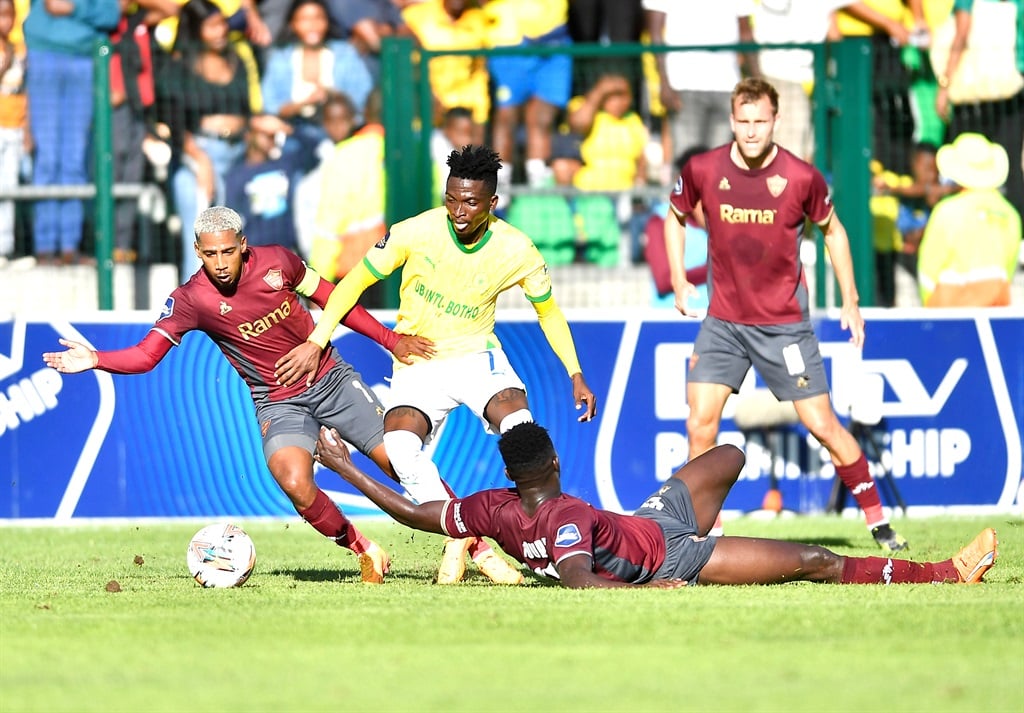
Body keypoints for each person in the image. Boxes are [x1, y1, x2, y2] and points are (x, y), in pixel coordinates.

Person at [42, 205, 434, 584]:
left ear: (243, 244)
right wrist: (95, 358)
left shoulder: (280, 262)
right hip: (277, 400)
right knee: (294, 481)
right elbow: (146, 356)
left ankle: (473, 546)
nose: (221, 262)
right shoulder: (191, 299)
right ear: (197, 252)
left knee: (400, 463)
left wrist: (390, 340)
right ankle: (365, 549)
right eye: (210, 254)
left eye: (228, 251)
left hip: (329, 378)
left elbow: (335, 300)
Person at [275, 144, 598, 584]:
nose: (458, 210)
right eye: (451, 198)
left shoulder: (516, 249)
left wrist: (575, 372)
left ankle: (550, 537)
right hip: (418, 361)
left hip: (476, 357)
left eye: (469, 201)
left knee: (519, 424)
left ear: (492, 203)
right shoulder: (414, 231)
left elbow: (549, 312)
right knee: (404, 454)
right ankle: (460, 535)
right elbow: (352, 282)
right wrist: (317, 337)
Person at [663, 78, 909, 552]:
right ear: (732, 120)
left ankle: (879, 522)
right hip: (724, 323)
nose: (752, 131)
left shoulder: (800, 178)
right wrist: (679, 278)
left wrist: (850, 298)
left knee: (823, 426)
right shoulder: (702, 169)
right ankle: (704, 535)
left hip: (784, 327)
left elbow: (833, 231)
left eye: (761, 121)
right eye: (743, 121)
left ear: (776, 120)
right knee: (700, 423)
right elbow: (674, 215)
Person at [314, 421, 999, 588]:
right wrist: (659, 584)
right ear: (553, 462)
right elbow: (584, 580)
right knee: (816, 558)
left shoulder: (493, 507)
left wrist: (344, 465)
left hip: (647, 519)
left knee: (727, 455)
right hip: (672, 551)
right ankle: (945, 572)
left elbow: (411, 513)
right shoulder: (565, 516)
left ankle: (714, 530)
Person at [22, 0, 120, 265]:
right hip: (43, 54)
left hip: (85, 58)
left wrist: (74, 8)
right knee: (47, 156)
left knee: (74, 157)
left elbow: (111, 14)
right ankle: (44, 247)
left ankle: (69, 245)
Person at [917, 132, 1023, 307]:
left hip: (948, 312)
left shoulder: (946, 211)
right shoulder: (1011, 214)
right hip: (995, 309)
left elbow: (928, 269)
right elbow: (1009, 268)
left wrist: (929, 303)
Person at [259, 0, 374, 156]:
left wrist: (332, 96)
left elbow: (363, 96)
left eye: (318, 18)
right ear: (292, 24)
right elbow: (270, 105)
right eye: (304, 19)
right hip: (295, 138)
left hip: (342, 138)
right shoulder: (281, 59)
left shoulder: (345, 54)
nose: (312, 25)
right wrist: (303, 103)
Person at [0, 0, 27, 265]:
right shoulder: (8, 51)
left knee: (9, 186)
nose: (5, 22)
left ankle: (5, 247)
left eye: (9, 15)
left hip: (14, 126)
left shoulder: (19, 49)